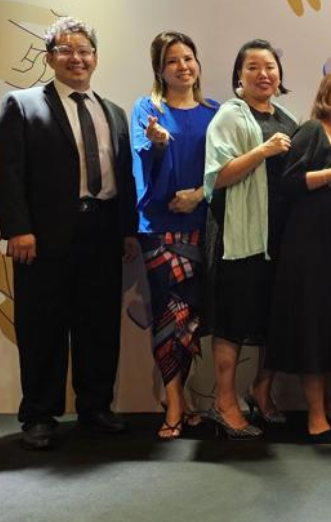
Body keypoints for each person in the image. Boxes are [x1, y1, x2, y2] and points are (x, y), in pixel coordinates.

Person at [0, 17, 139, 450]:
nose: (76, 58)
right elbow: (9, 172)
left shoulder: (113, 111)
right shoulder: (22, 104)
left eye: (84, 51)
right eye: (66, 51)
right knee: (43, 326)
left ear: (95, 58)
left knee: (98, 323)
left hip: (102, 230)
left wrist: (126, 230)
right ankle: (39, 415)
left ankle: (95, 406)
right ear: (50, 58)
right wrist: (18, 229)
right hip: (43, 236)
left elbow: (124, 177)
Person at [267, 69, 331, 442]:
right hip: (308, 238)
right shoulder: (312, 130)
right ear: (325, 96)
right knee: (312, 321)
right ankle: (314, 410)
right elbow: (288, 184)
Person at [203, 39, 297, 439]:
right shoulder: (229, 115)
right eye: (253, 67)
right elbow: (217, 177)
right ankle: (224, 402)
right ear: (239, 76)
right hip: (238, 236)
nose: (264, 74)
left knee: (273, 320)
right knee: (233, 321)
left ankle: (261, 391)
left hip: (280, 236)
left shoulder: (288, 118)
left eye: (270, 67)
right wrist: (261, 151)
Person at [130, 31, 218, 440]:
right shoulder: (147, 109)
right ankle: (177, 404)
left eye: (189, 58)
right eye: (173, 61)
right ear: (159, 70)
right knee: (170, 314)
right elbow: (141, 162)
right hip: (162, 230)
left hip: (204, 227)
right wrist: (160, 143)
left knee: (192, 319)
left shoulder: (215, 111)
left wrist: (200, 194)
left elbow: (225, 169)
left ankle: (181, 396)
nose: (183, 67)